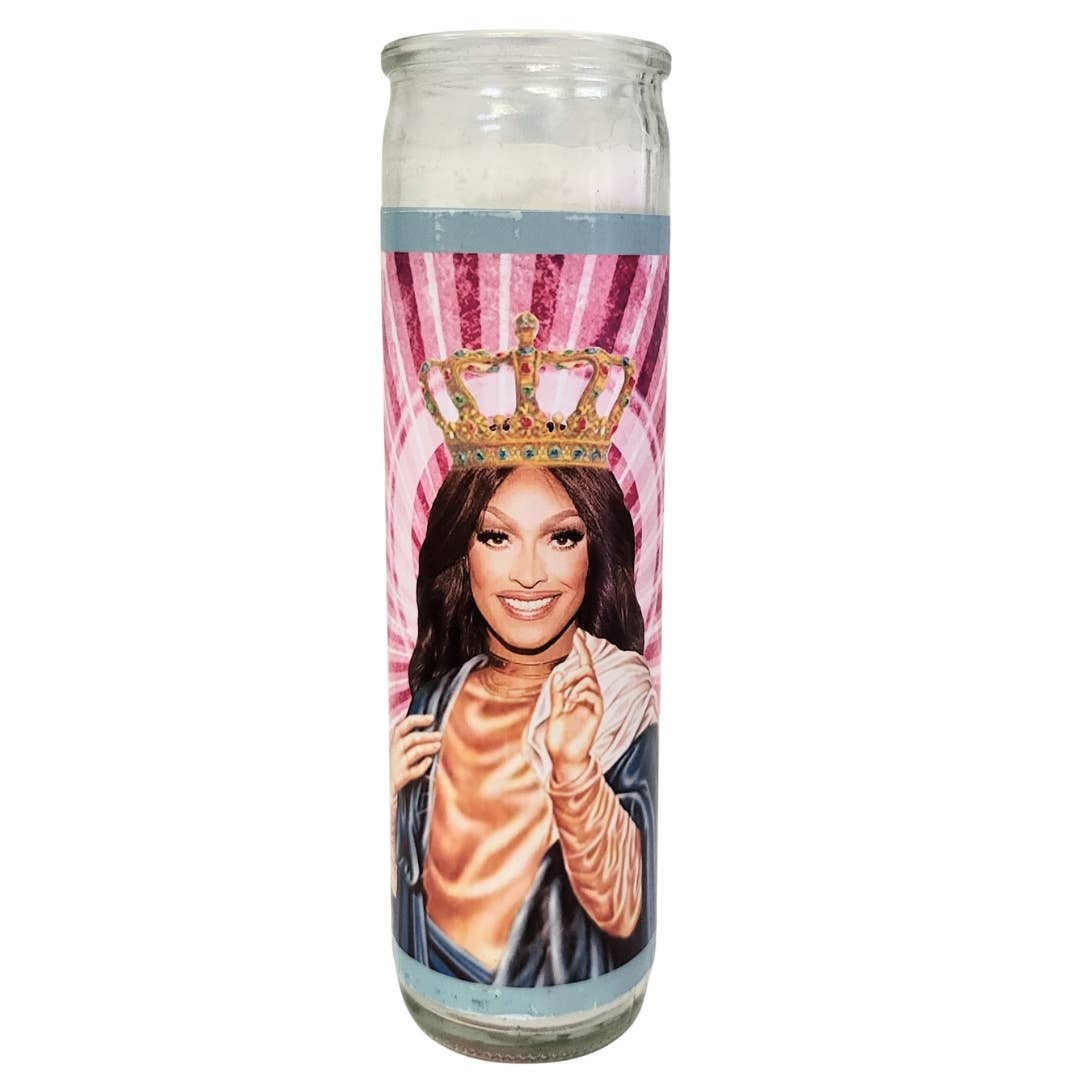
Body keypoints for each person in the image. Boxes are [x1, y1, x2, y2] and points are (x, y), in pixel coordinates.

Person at [390, 462, 658, 988]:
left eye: (561, 537)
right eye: (497, 536)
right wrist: (395, 798)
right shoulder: (433, 703)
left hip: (572, 989)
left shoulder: (619, 698)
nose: (529, 574)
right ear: (463, 554)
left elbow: (628, 907)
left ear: (594, 550)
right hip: (429, 971)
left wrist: (574, 771)